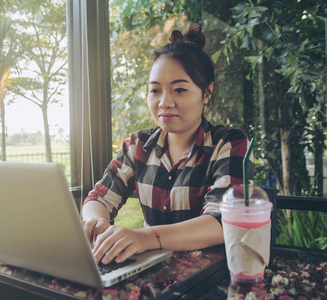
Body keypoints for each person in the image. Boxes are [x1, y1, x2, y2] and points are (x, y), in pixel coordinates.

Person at [82, 23, 253, 266]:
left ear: (206, 93)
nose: (164, 102)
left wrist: (146, 237)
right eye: (155, 91)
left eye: (180, 90)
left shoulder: (229, 144)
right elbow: (99, 198)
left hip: (210, 279)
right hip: (150, 276)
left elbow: (223, 221)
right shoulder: (138, 145)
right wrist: (97, 224)